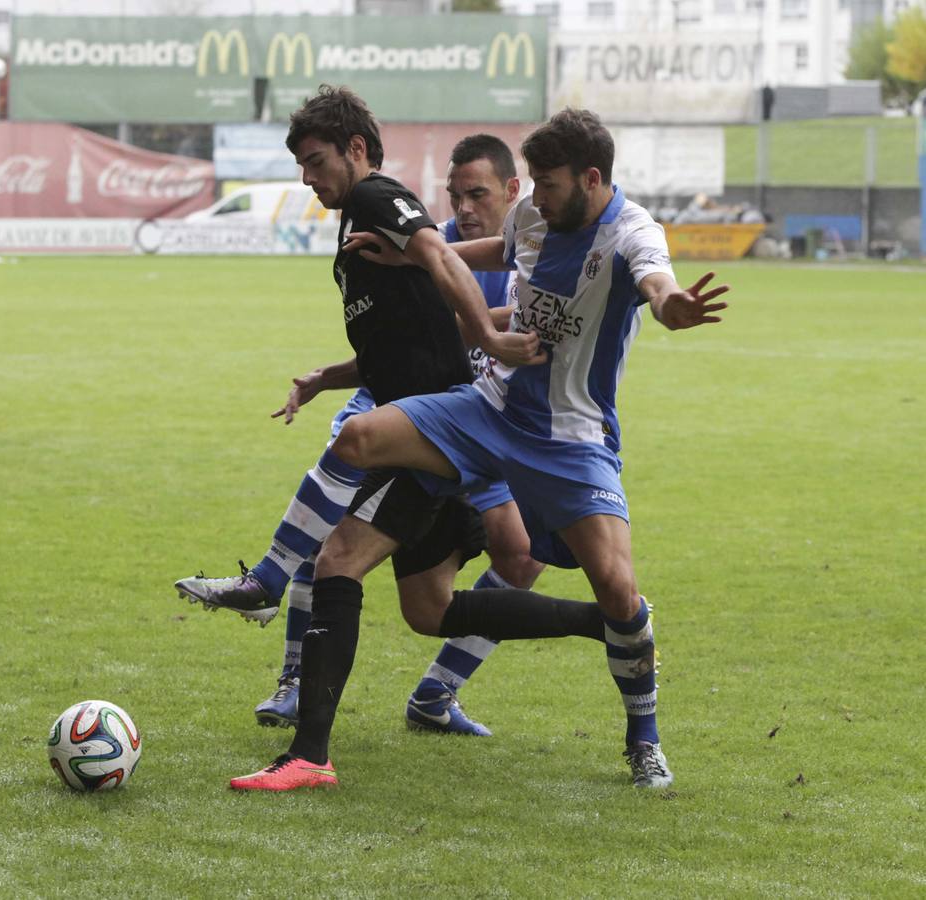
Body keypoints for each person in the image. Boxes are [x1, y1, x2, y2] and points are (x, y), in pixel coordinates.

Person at [236, 107, 730, 792]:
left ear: (590, 179)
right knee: (358, 439)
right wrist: (407, 254)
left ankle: (642, 737)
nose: (532, 195)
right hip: (488, 410)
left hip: (569, 438)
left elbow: (655, 280)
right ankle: (280, 617)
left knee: (618, 592)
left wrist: (670, 305)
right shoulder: (533, 214)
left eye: (547, 183)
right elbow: (500, 249)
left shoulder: (631, 231)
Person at [176, 134, 545, 737]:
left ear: (513, 190)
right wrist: (333, 375)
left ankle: (436, 693)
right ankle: (295, 679)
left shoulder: (524, 257)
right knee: (331, 539)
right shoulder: (434, 244)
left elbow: (495, 327)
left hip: (478, 421)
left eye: (476, 194)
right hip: (403, 409)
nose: (463, 208)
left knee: (516, 554)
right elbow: (417, 335)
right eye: (454, 196)